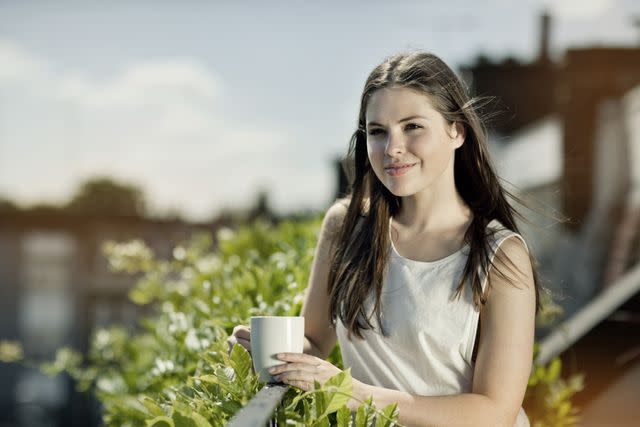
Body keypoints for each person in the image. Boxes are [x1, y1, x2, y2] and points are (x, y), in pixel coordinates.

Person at [229, 51, 538, 427]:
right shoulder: (345, 226)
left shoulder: (499, 254)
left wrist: (348, 391)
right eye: (378, 131)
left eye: (412, 127)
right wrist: (269, 353)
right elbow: (314, 341)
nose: (392, 147)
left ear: (456, 130)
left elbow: (494, 412)